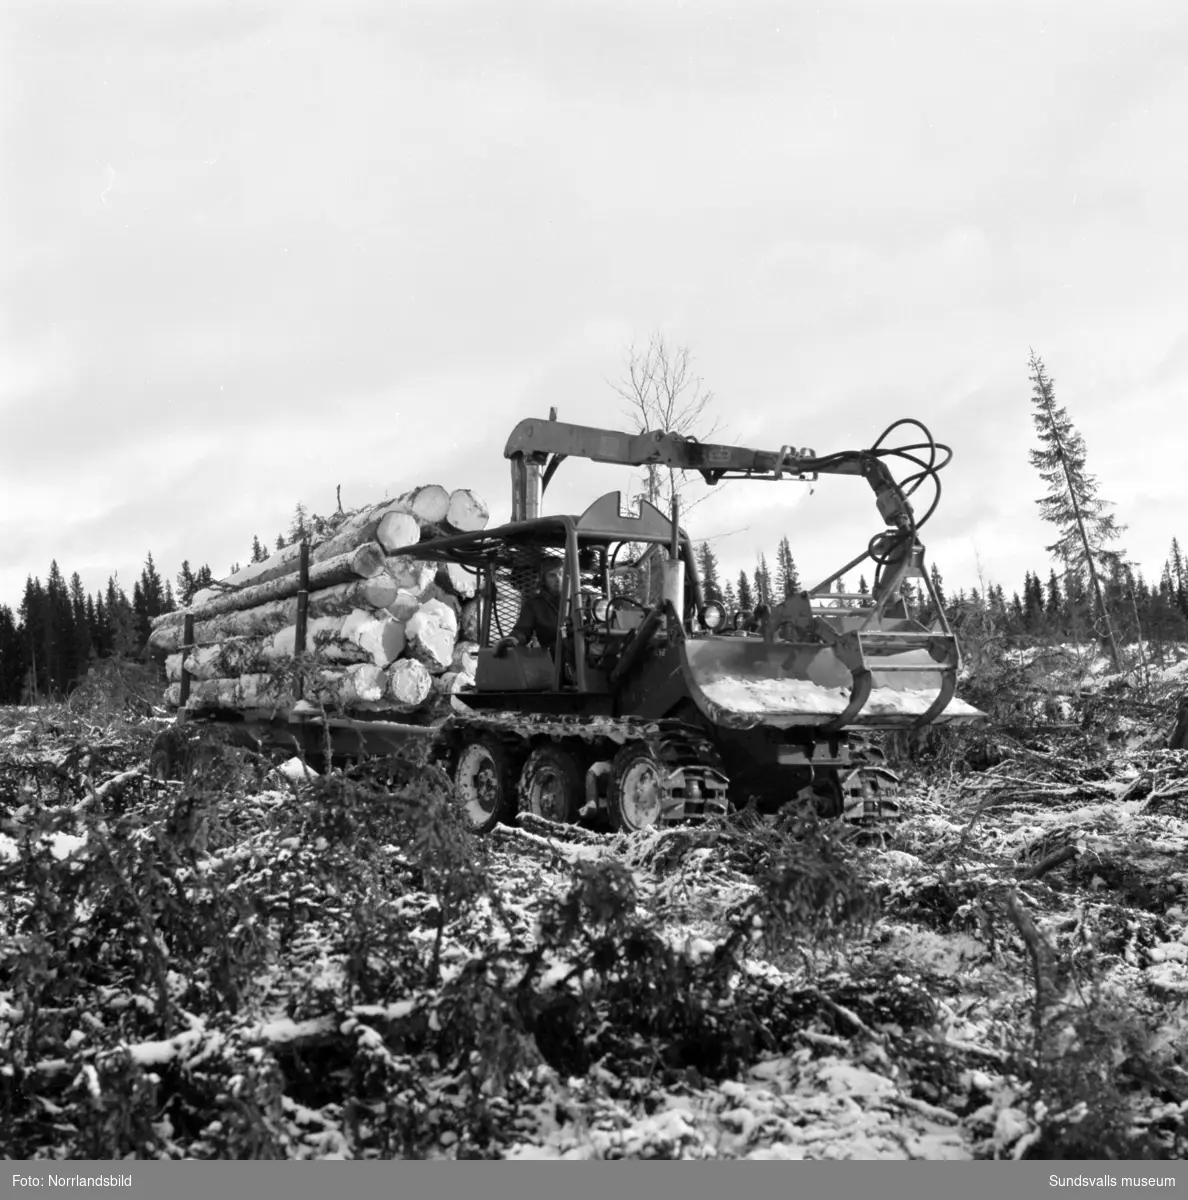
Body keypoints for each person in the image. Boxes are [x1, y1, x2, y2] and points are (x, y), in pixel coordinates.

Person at [493, 555, 566, 657]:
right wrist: (513, 640)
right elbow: (523, 630)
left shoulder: (578, 599)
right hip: (554, 657)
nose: (558, 579)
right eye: (552, 575)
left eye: (561, 574)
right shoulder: (535, 605)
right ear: (543, 579)